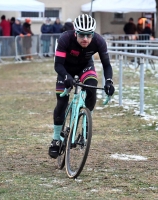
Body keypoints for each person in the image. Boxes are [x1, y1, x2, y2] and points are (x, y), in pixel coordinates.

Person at [48, 14, 115, 158]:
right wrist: (66, 77)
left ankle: (85, 124)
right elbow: (58, 64)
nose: (85, 39)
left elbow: (107, 65)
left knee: (92, 87)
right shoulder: (65, 38)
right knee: (61, 102)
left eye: (89, 35)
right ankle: (55, 139)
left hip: (85, 67)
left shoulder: (99, 41)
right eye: (82, 35)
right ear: (75, 32)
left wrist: (109, 81)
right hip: (65, 70)